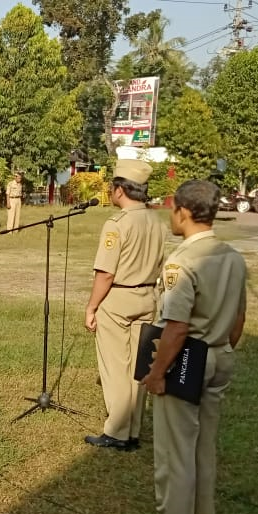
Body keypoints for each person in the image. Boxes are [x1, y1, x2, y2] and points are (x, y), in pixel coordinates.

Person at [142, 180, 247, 514]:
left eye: (172, 209)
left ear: (183, 212)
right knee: (203, 450)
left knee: (175, 456)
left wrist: (157, 373)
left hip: (187, 359)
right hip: (219, 356)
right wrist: (221, 348)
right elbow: (238, 317)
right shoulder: (232, 256)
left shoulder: (182, 261)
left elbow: (177, 326)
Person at [84, 159, 166, 451]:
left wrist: (92, 307)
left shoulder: (117, 224)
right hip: (147, 296)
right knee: (138, 367)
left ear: (120, 190)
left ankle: (117, 431)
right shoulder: (157, 221)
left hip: (118, 297)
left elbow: (105, 273)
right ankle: (132, 429)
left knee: (116, 366)